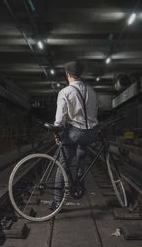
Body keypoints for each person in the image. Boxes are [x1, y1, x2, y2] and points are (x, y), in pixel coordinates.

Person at [51, 61, 99, 209]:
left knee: (62, 164)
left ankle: (57, 202)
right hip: (91, 133)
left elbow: (59, 121)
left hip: (75, 133)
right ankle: (79, 182)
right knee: (81, 153)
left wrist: (57, 134)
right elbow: (95, 113)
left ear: (67, 74)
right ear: (81, 74)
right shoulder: (92, 91)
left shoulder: (65, 92)